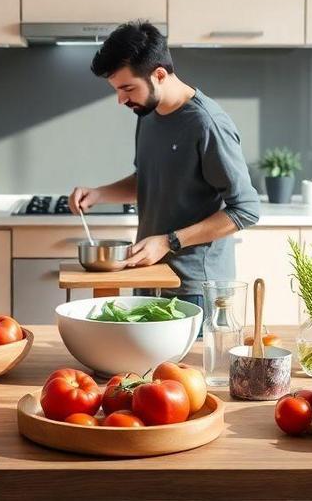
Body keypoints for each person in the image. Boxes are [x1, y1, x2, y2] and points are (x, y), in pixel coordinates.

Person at [70, 21, 260, 307]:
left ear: (159, 75)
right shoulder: (148, 115)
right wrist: (100, 194)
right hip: (148, 275)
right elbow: (147, 179)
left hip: (195, 288)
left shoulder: (208, 124)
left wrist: (168, 241)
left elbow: (246, 210)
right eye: (117, 90)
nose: (121, 100)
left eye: (127, 88)